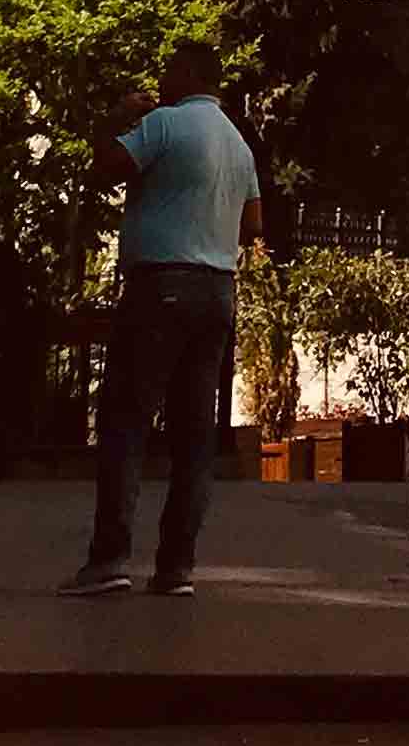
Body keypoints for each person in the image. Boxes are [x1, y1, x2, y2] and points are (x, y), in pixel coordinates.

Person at [64, 41, 264, 597]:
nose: (161, 78)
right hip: (218, 291)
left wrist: (119, 118)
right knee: (194, 435)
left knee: (126, 423)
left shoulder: (163, 124)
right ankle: (177, 566)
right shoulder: (238, 143)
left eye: (167, 68)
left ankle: (109, 561)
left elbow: (104, 172)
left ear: (186, 74)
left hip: (160, 287)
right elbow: (252, 227)